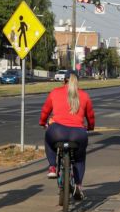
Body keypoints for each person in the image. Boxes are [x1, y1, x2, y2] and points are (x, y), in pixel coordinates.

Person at [39, 72, 95, 201]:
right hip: (78, 134)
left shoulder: (55, 92)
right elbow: (90, 116)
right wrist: (90, 127)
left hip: (57, 131)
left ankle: (52, 166)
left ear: (63, 81)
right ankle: (78, 185)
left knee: (48, 140)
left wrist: (42, 123)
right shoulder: (84, 95)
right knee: (80, 159)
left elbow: (45, 110)